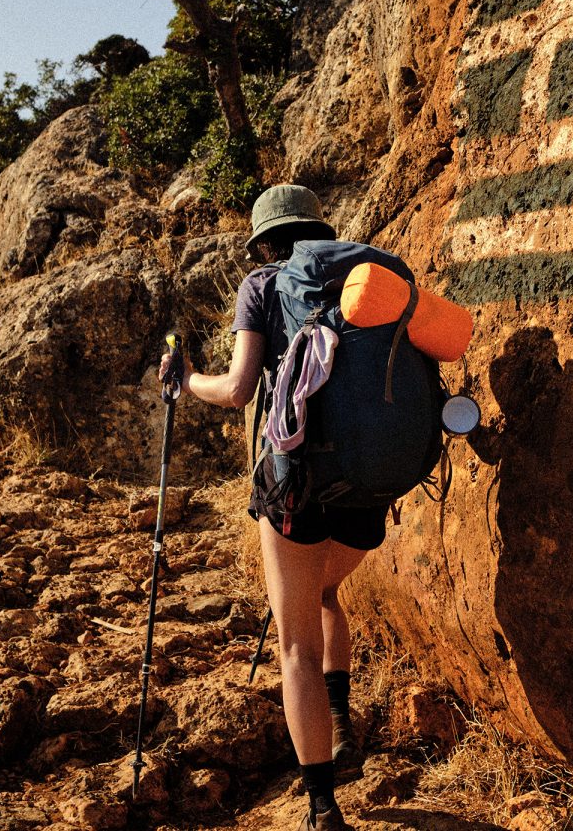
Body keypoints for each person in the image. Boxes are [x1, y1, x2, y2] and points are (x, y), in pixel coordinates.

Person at [160, 184, 377, 831]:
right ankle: (340, 722)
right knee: (329, 594)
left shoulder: (261, 284)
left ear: (263, 239)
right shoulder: (362, 278)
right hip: (369, 481)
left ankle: (320, 805)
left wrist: (182, 379)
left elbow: (236, 389)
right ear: (318, 229)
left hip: (294, 480)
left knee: (295, 647)